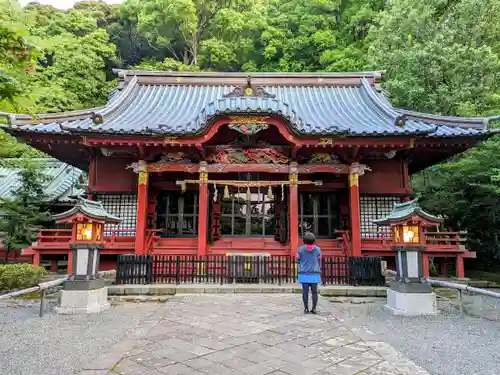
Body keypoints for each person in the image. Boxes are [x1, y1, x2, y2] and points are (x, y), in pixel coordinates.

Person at [297, 232, 321, 314]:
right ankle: (314, 308)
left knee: (305, 292)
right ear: (314, 240)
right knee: (314, 292)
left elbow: (298, 259)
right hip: (314, 273)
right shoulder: (317, 249)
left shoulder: (300, 249)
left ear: (304, 240)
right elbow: (319, 257)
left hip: (304, 273)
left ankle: (306, 308)